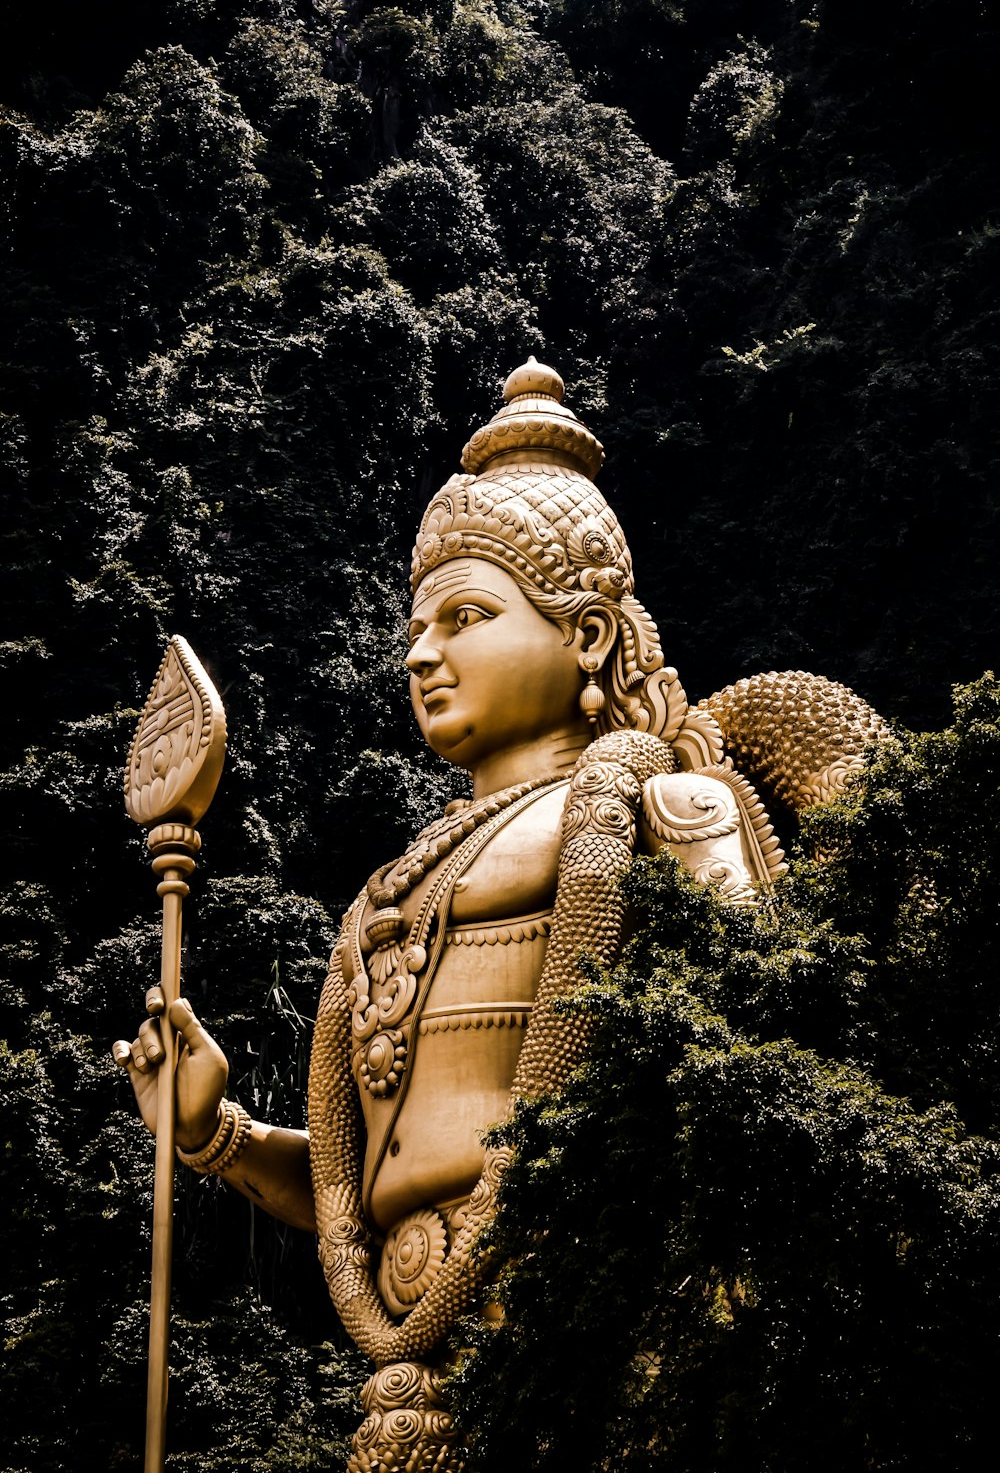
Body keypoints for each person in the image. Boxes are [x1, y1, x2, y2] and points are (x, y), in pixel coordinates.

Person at [114, 358, 886, 1469]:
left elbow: (756, 1072)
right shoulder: (391, 888)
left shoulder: (667, 806)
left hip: (602, 1328)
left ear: (584, 635)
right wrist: (214, 1135)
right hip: (409, 1365)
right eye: (416, 628)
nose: (425, 653)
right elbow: (360, 1184)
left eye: (467, 615)